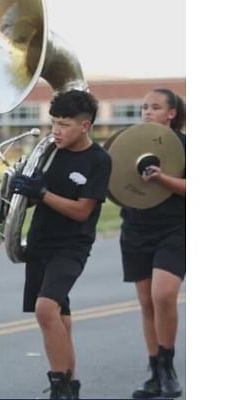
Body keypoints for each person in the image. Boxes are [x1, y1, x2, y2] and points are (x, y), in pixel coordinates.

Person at [9, 89, 111, 399]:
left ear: (85, 125)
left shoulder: (99, 160)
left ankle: (60, 385)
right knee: (59, 318)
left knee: (45, 309)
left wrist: (42, 194)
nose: (56, 130)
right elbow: (27, 200)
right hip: (40, 242)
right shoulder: (48, 152)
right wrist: (17, 191)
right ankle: (71, 384)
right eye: (54, 122)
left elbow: (82, 211)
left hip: (72, 246)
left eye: (64, 124)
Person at [121, 89, 186, 399]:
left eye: (155, 107)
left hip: (176, 228)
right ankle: (155, 373)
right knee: (147, 303)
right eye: (144, 107)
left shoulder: (186, 145)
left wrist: (162, 180)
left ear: (171, 113)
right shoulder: (129, 143)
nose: (147, 112)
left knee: (164, 295)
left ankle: (169, 366)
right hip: (136, 229)